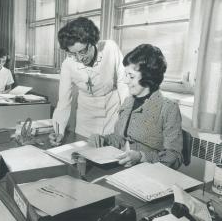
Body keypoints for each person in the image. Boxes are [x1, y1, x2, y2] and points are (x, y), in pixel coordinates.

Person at [88, 44, 183, 169]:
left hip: (151, 174)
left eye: (131, 76)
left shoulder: (168, 108)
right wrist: (102, 139)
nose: (126, 81)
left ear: (148, 76)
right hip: (124, 170)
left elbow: (174, 157)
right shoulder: (128, 101)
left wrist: (142, 156)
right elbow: (119, 138)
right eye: (126, 75)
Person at [49, 17, 129, 145]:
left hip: (112, 113)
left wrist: (126, 117)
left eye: (83, 51)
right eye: (73, 54)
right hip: (86, 119)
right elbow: (64, 102)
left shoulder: (110, 48)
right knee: (85, 155)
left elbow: (123, 83)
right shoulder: (68, 65)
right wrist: (59, 130)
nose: (80, 58)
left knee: (112, 154)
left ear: (93, 42)